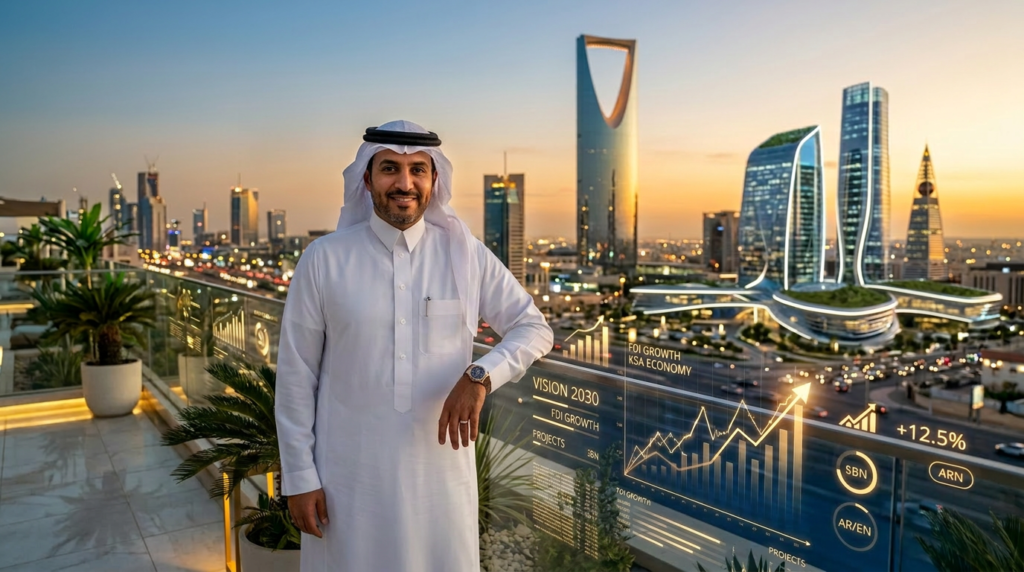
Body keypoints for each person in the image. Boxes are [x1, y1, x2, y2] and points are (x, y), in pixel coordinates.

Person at [275, 120, 553, 571]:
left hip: (440, 481)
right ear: (367, 179)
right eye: (390, 169)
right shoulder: (324, 259)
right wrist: (300, 478)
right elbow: (295, 376)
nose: (404, 183)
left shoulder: (466, 256)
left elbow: (534, 327)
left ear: (434, 180)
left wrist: (480, 376)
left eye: (418, 170)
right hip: (348, 478)